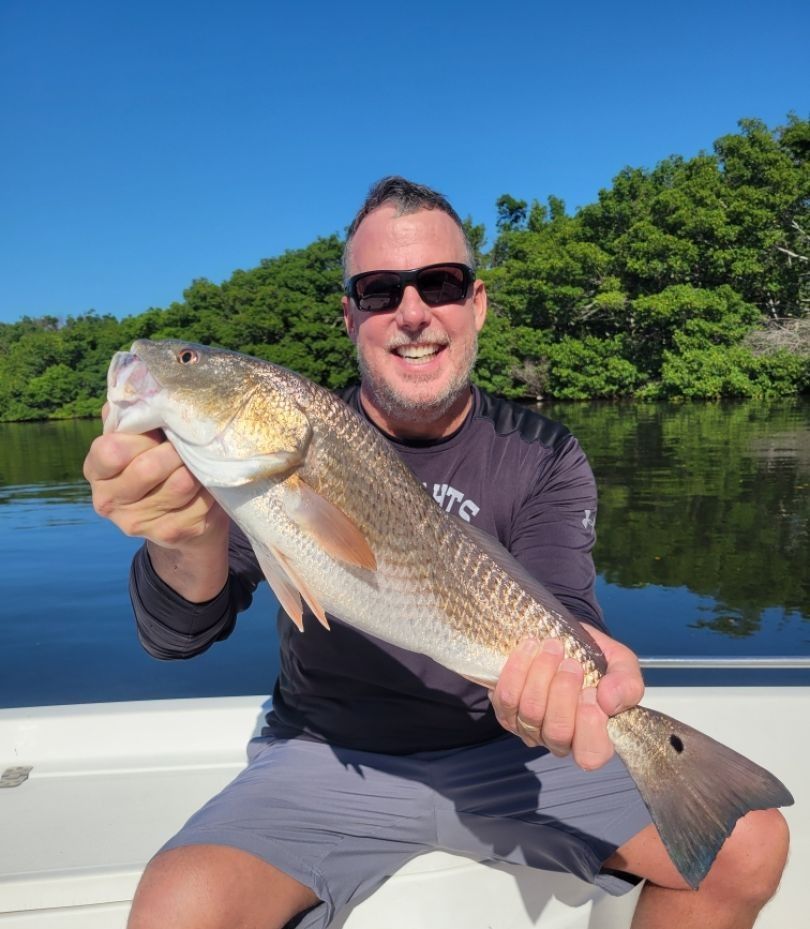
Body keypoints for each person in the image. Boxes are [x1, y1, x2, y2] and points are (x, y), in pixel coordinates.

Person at [84, 176, 788, 929]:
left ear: (476, 303)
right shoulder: (269, 462)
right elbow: (179, 634)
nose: (413, 312)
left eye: (440, 284)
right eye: (381, 290)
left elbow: (566, 606)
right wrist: (184, 537)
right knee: (176, 911)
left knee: (749, 846)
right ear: (350, 315)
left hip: (506, 751)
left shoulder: (542, 453)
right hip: (328, 748)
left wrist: (588, 671)